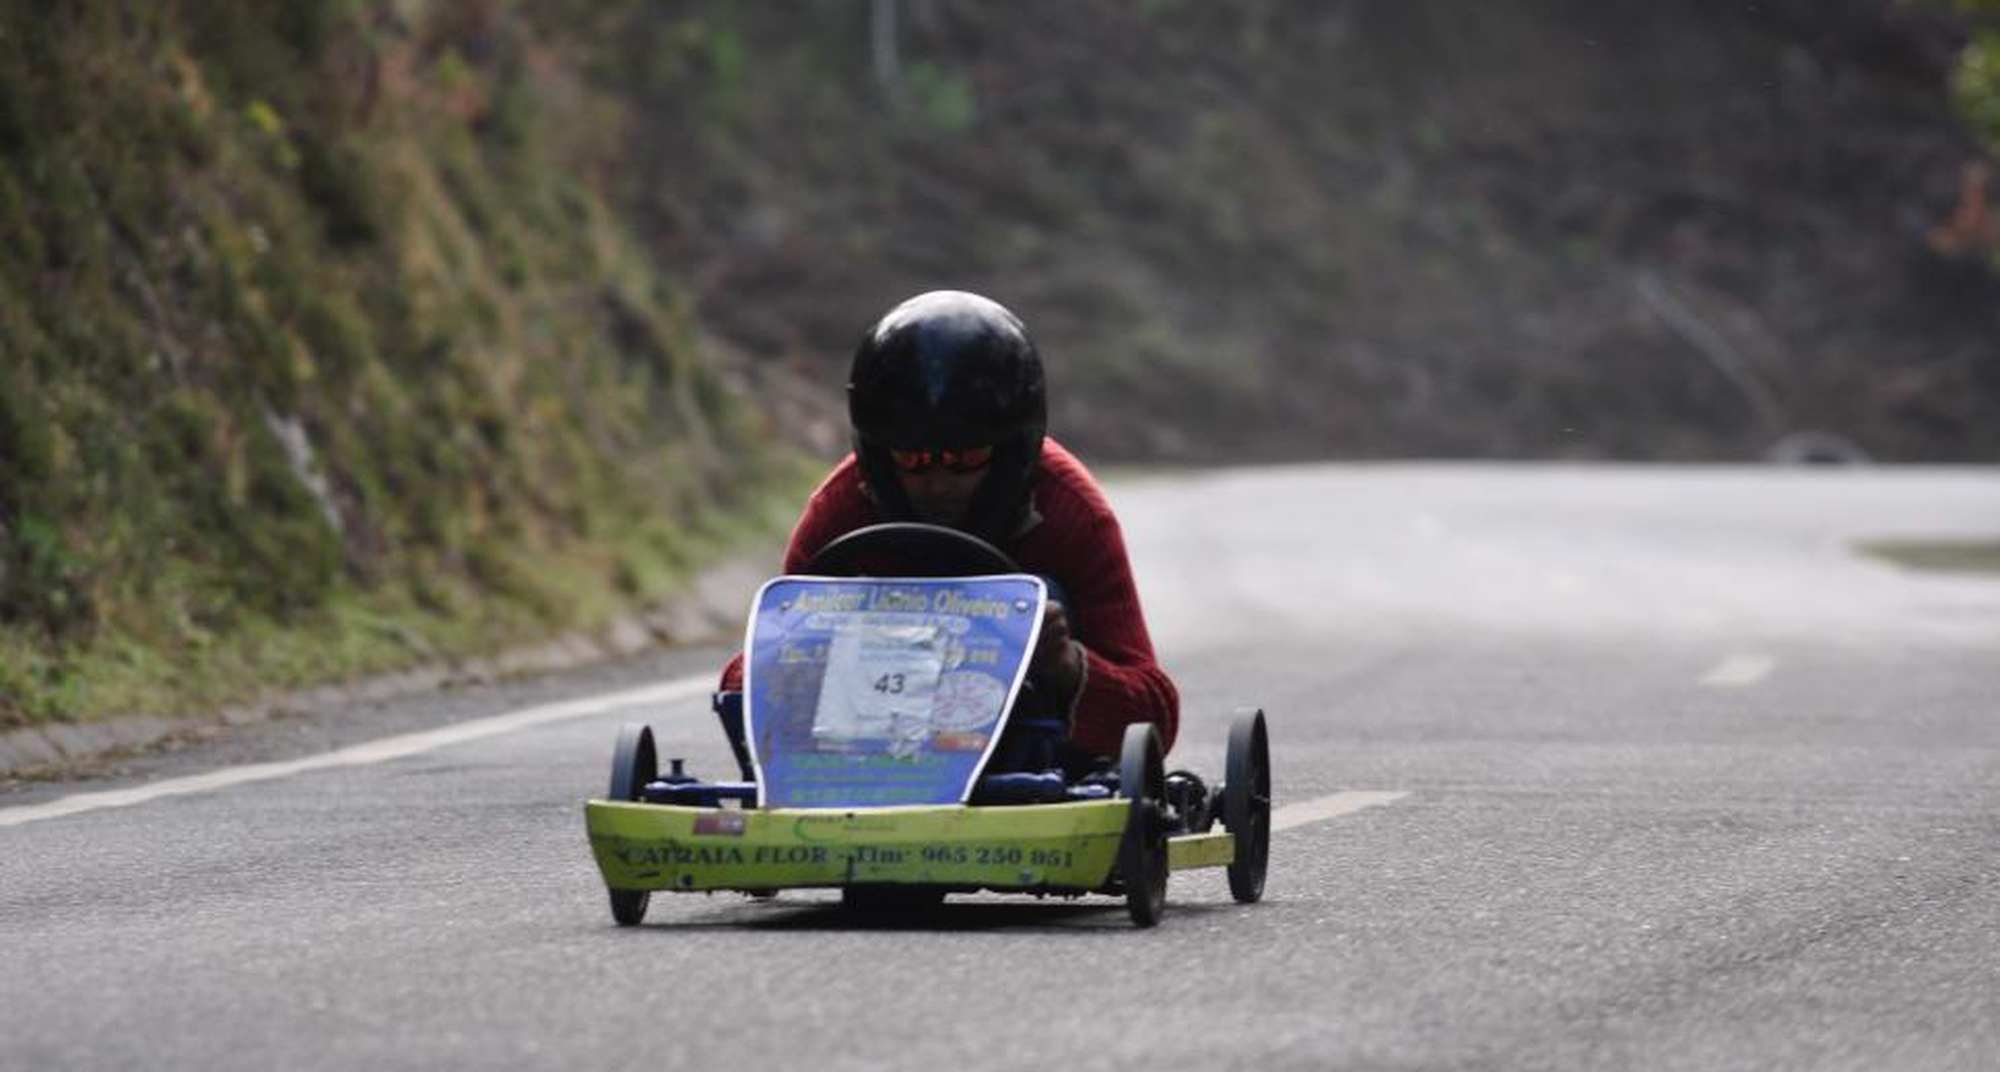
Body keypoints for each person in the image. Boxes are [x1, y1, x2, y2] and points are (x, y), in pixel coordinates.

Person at [719, 290, 1179, 761]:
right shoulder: (840, 511)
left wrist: (1064, 663)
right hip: (861, 751)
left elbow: (1155, 715)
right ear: (880, 453)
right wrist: (811, 646)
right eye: (913, 460)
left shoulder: (1072, 512)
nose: (937, 485)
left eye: (966, 459)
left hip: (1028, 768)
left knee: (1045, 593)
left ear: (1012, 449)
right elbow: (745, 681)